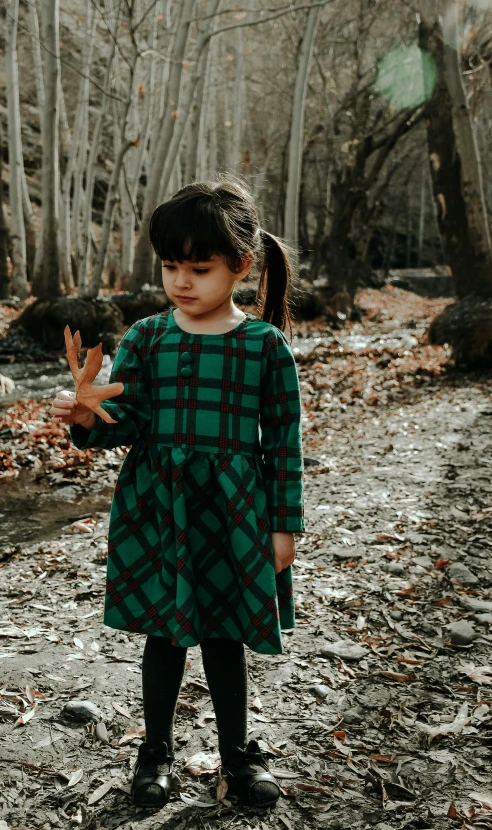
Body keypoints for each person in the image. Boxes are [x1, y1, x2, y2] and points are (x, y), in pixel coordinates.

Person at [50, 176, 305, 811]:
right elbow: (127, 421)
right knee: (163, 635)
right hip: (157, 510)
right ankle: (155, 750)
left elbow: (283, 443)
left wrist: (283, 527)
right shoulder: (146, 338)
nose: (181, 281)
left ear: (240, 267)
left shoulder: (264, 347)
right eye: (170, 266)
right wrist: (88, 420)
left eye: (199, 266)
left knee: (223, 636)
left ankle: (237, 756)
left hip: (233, 513)